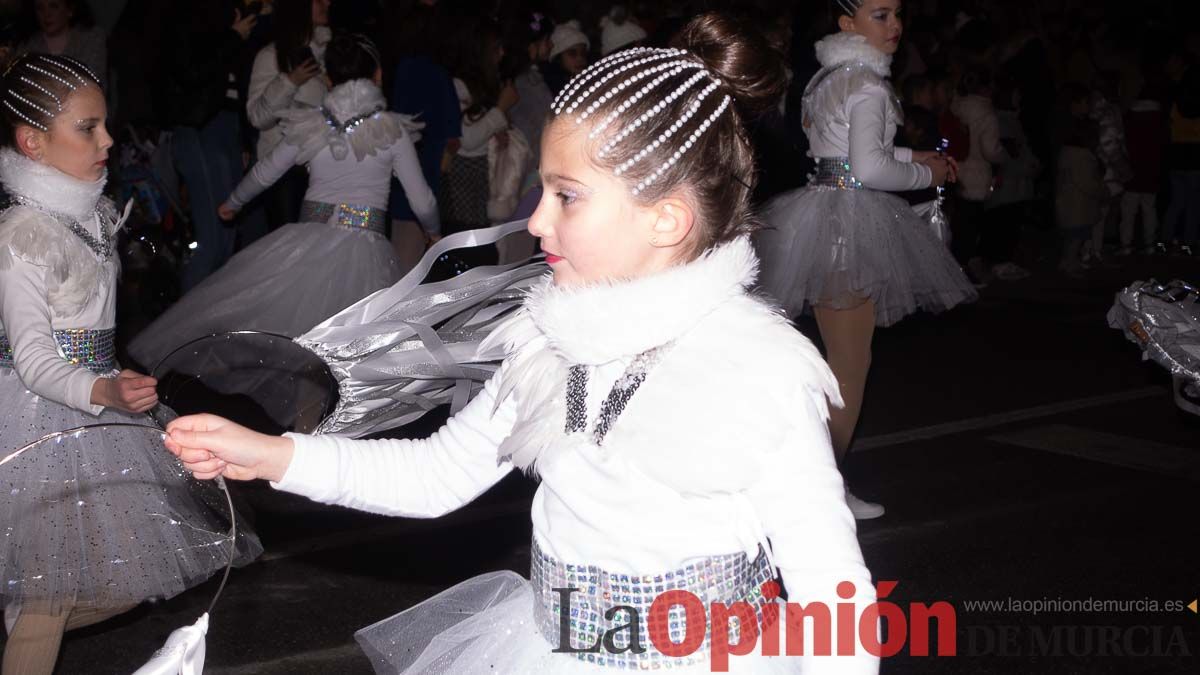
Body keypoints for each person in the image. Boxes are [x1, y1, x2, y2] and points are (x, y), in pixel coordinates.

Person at [165, 13, 879, 674]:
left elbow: (834, 592)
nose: (535, 222)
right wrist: (271, 455)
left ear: (665, 218)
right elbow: (437, 475)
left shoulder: (754, 368)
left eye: (565, 196)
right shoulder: (548, 339)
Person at [0, 53, 260, 675]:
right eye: (87, 128)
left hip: (93, 410)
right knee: (50, 596)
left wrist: (112, 385)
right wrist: (105, 390)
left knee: (99, 583)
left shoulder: (87, 215)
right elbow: (34, 359)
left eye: (105, 124)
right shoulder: (23, 233)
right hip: (44, 420)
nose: (109, 141)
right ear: (33, 144)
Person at [754, 0, 977, 520]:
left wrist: (914, 157)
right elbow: (868, 169)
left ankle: (809, 483)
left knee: (835, 363)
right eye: (880, 15)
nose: (895, 25)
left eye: (897, 13)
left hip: (820, 216)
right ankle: (820, 494)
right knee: (848, 368)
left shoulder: (828, 79)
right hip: (849, 227)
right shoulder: (870, 85)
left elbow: (841, 153)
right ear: (846, 23)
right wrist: (929, 176)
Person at [127, 34, 437, 372]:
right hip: (366, 251)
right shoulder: (390, 130)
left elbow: (265, 171)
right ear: (378, 76)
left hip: (307, 246)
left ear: (329, 79)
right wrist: (433, 232)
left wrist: (232, 202)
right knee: (354, 355)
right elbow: (422, 199)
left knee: (297, 342)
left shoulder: (313, 125)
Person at [246, 0, 333, 229]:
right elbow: (258, 117)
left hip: (324, 173)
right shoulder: (271, 56)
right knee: (289, 255)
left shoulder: (330, 55)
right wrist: (290, 82)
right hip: (285, 175)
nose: (327, 3)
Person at [19, 0, 105, 85]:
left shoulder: (90, 40)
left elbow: (94, 82)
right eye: (40, 8)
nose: (46, 14)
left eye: (54, 6)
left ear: (69, 10)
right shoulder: (27, 47)